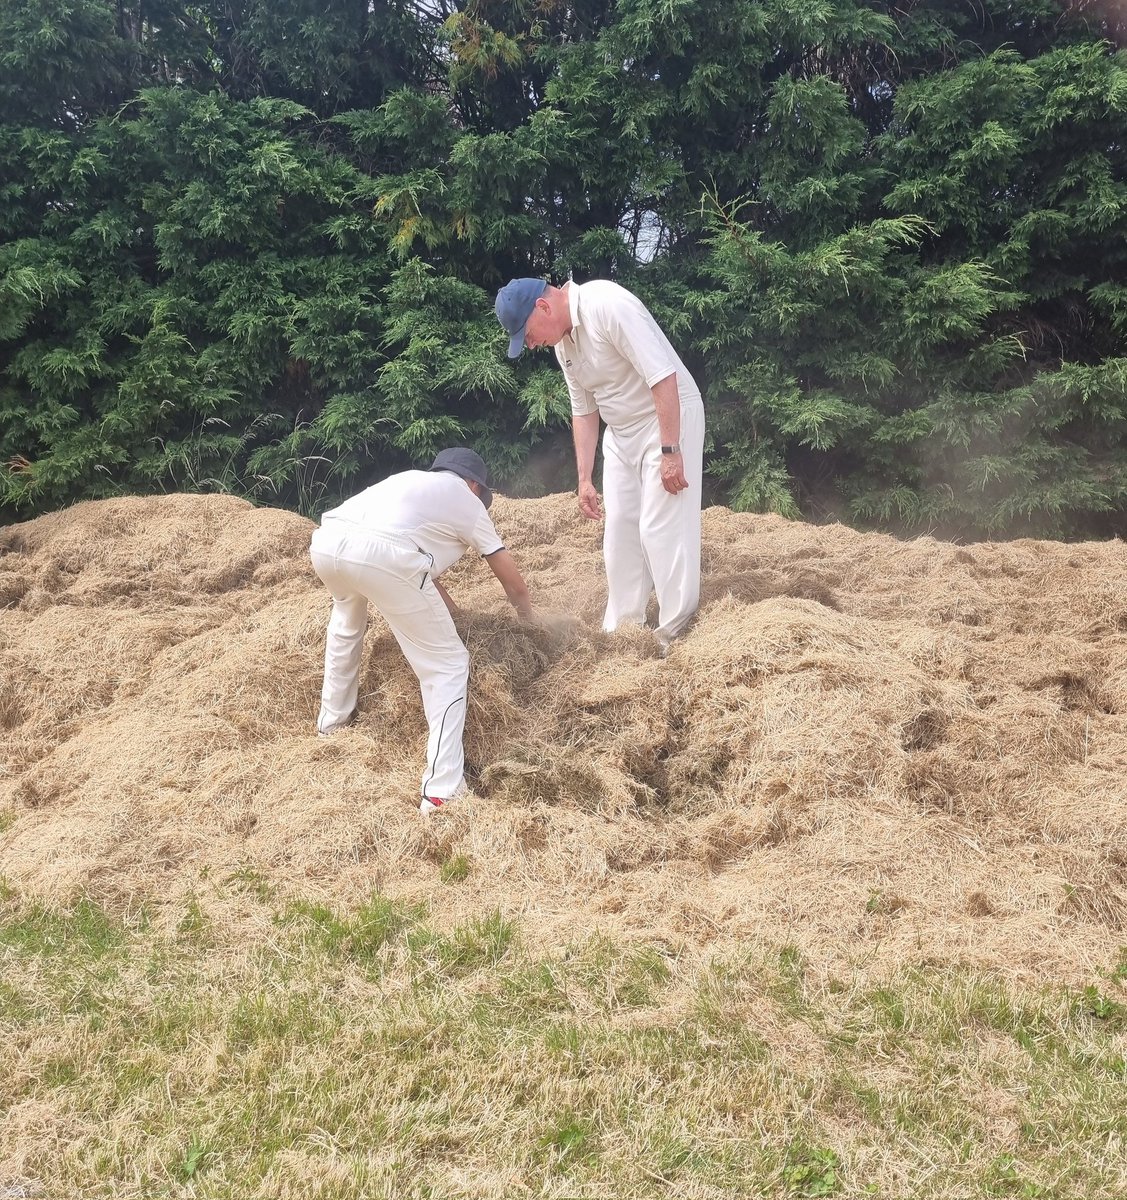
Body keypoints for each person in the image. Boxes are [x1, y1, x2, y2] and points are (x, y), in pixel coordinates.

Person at [309, 448, 533, 815]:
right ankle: (442, 791)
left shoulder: (411, 482)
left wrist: (455, 616)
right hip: (384, 556)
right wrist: (529, 622)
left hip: (328, 542)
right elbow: (513, 584)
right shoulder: (468, 501)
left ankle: (330, 727)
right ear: (475, 485)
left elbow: (420, 571)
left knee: (347, 626)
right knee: (448, 665)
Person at [495, 277, 705, 649]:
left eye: (527, 335)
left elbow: (662, 376)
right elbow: (584, 410)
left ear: (543, 307)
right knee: (620, 530)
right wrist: (584, 479)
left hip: (666, 421)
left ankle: (674, 630)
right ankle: (622, 631)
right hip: (621, 433)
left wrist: (671, 451)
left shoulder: (607, 305)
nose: (530, 345)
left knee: (659, 528)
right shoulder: (564, 345)